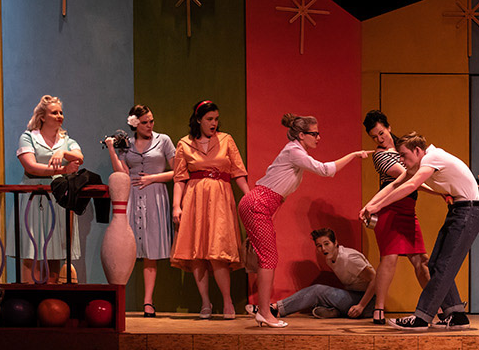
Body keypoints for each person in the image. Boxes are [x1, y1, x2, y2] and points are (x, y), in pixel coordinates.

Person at [237, 114, 368, 328]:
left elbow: (279, 194)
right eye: (314, 133)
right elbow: (326, 170)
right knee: (269, 258)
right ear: (301, 135)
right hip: (257, 204)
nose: (318, 137)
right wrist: (353, 155)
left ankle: (263, 310)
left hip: (260, 205)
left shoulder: (294, 153)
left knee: (268, 257)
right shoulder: (294, 151)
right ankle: (264, 312)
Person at [361, 132, 479, 331]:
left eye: (403, 155)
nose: (401, 160)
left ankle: (422, 317)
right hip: (458, 211)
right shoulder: (421, 163)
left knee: (443, 267)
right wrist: (371, 205)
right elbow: (395, 184)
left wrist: (378, 207)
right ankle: (457, 315)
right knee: (434, 264)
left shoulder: (432, 157)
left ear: (417, 151)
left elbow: (411, 186)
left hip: (468, 212)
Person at [171, 100, 250, 320]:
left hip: (220, 199)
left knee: (217, 253)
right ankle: (205, 303)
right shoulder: (184, 143)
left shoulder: (226, 140)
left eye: (216, 119)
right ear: (198, 120)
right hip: (194, 198)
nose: (214, 123)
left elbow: (238, 172)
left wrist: (249, 196)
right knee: (197, 254)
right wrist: (176, 206)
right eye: (209, 119)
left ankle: (227, 302)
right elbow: (179, 178)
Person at [361, 110, 433, 325]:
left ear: (389, 127)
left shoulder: (403, 148)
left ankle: (435, 306)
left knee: (421, 259)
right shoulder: (381, 155)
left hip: (409, 210)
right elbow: (407, 176)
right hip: (390, 208)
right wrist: (439, 192)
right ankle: (379, 309)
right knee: (389, 258)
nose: (379, 139)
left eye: (381, 133)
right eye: (374, 137)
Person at [102, 105, 174, 317]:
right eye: (144, 122)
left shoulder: (164, 140)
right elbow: (122, 172)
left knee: (151, 250)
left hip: (155, 196)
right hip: (132, 196)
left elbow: (177, 171)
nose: (150, 126)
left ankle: (148, 302)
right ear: (135, 124)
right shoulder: (128, 144)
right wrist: (112, 150)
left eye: (151, 121)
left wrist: (151, 178)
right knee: (126, 250)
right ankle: (119, 300)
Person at [12, 95, 84, 283]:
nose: (59, 116)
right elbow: (31, 166)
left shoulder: (66, 140)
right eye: (54, 113)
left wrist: (62, 152)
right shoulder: (28, 137)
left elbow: (79, 156)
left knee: (55, 248)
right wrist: (63, 170)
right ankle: (31, 294)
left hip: (58, 197)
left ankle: (52, 296)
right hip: (33, 197)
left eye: (61, 112)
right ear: (42, 117)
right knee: (32, 247)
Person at [263, 228, 376, 321]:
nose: (323, 249)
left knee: (317, 291)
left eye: (327, 244)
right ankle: (335, 311)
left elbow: (376, 280)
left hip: (368, 303)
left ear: (335, 242)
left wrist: (361, 306)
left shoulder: (349, 258)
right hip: (353, 296)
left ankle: (275, 308)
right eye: (319, 245)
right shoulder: (330, 258)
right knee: (316, 301)